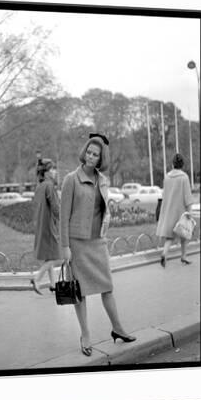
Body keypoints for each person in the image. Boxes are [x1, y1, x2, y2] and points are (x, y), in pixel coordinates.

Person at [60, 135, 135, 357]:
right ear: (84, 153)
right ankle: (85, 335)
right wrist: (65, 247)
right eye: (89, 153)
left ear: (101, 158)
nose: (91, 157)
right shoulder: (70, 180)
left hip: (98, 241)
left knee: (107, 287)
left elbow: (102, 208)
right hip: (77, 243)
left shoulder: (103, 179)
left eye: (96, 154)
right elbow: (63, 217)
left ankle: (118, 329)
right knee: (80, 292)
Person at [30, 159, 63, 295]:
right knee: (56, 257)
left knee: (49, 256)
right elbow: (56, 208)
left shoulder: (40, 186)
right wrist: (64, 219)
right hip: (49, 226)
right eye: (53, 169)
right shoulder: (49, 186)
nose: (55, 171)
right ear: (47, 172)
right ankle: (37, 279)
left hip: (41, 225)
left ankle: (53, 284)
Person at [156, 153, 194, 267]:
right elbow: (187, 196)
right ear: (182, 165)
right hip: (181, 210)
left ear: (173, 164)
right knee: (185, 233)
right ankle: (184, 256)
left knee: (170, 236)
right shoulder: (184, 177)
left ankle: (164, 253)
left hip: (168, 210)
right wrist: (190, 212)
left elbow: (165, 194)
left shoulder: (167, 177)